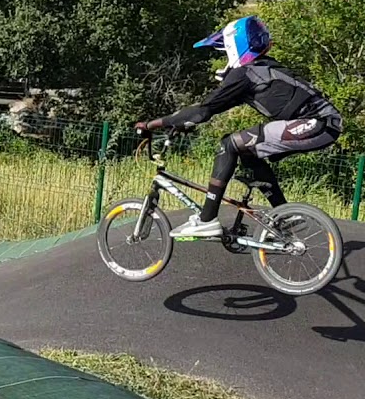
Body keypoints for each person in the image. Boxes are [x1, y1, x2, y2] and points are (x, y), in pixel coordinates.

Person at [136, 15, 342, 239]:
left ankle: (207, 220)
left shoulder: (244, 73)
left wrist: (151, 124)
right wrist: (183, 122)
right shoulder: (259, 69)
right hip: (325, 123)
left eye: (225, 49)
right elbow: (209, 110)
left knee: (229, 144)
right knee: (248, 151)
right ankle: (284, 216)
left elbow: (201, 111)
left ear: (236, 47)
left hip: (316, 122)